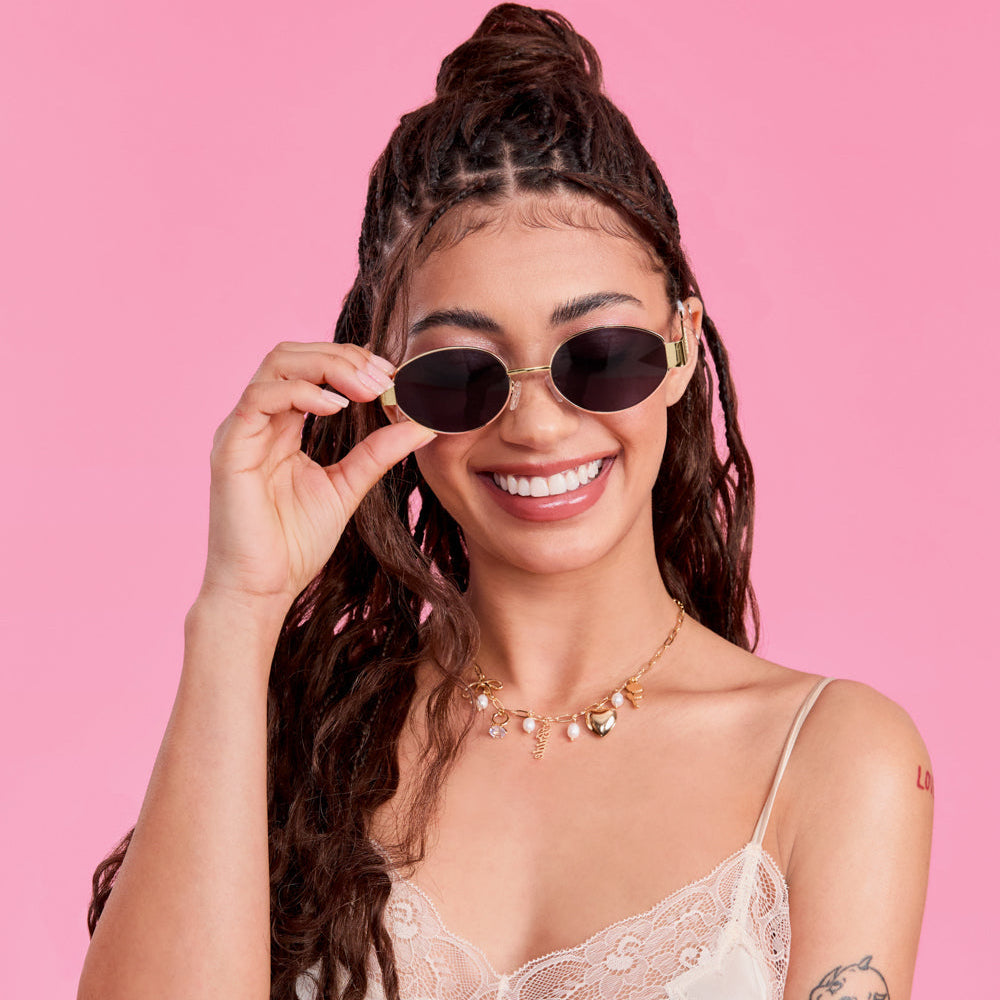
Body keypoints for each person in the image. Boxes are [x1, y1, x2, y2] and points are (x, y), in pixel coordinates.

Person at [78, 5, 933, 999]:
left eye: (599, 357)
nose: (535, 426)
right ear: (385, 382)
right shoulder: (300, 741)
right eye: (461, 373)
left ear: (680, 344)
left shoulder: (832, 759)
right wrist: (237, 608)